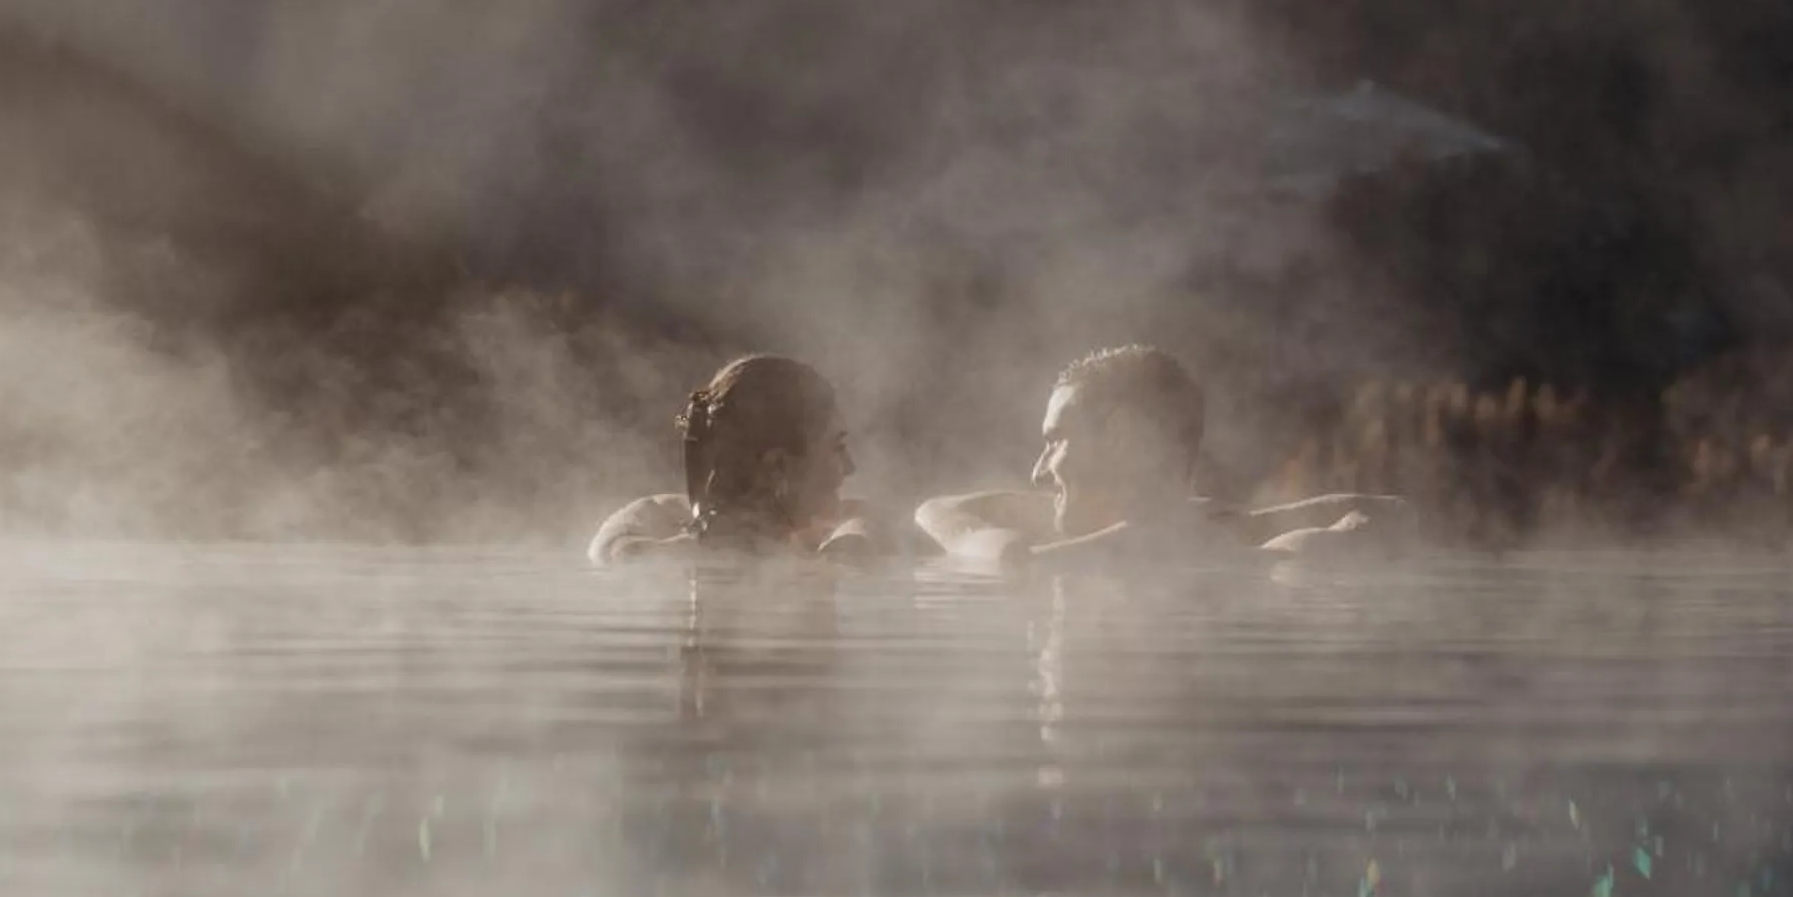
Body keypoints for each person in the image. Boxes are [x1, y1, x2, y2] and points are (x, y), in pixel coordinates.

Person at [913, 345, 1410, 570]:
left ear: (1122, 435)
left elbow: (1007, 561)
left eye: (1057, 439)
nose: (1038, 470)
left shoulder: (1266, 560)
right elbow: (938, 507)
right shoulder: (1222, 538)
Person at [587, 355, 889, 565]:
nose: (850, 468)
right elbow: (622, 555)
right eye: (836, 447)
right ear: (778, 466)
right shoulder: (657, 519)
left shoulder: (837, 526)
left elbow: (865, 516)